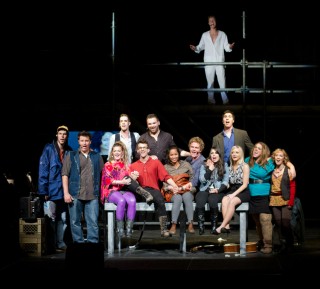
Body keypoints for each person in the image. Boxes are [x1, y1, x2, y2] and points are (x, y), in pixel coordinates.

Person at [101, 141, 154, 238]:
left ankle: (129, 228)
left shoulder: (127, 165)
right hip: (112, 191)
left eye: (119, 151)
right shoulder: (108, 164)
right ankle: (120, 229)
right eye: (115, 151)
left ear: (122, 153)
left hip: (125, 190)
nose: (117, 153)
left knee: (132, 200)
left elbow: (130, 181)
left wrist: (134, 176)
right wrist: (121, 182)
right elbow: (108, 180)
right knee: (121, 201)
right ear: (112, 153)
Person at [130, 139, 180, 237]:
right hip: (139, 192)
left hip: (153, 190)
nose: (142, 150)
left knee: (160, 200)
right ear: (137, 151)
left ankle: (164, 229)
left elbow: (165, 176)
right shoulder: (133, 166)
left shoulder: (156, 163)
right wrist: (133, 179)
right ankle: (144, 193)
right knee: (128, 179)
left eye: (144, 148)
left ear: (148, 150)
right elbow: (131, 183)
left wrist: (175, 185)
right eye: (140, 148)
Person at [62, 131, 104, 243]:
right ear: (78, 141)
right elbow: (65, 174)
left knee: (93, 222)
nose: (84, 143)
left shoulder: (97, 156)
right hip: (75, 194)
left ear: (90, 142)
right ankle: (78, 245)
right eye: (82, 141)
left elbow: (103, 176)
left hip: (92, 195)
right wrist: (66, 193)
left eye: (86, 141)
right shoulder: (71, 155)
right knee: (75, 222)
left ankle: (93, 246)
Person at [38, 125, 72, 253]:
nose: (62, 136)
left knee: (63, 219)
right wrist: (44, 190)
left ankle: (60, 243)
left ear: (67, 136)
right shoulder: (49, 149)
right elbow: (43, 170)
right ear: (56, 135)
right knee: (50, 218)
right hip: (51, 191)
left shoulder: (69, 150)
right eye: (60, 133)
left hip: (63, 191)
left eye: (65, 134)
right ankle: (50, 245)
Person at [190, 15, 235, 104]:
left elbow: (226, 47)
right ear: (208, 23)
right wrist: (195, 48)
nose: (212, 22)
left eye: (213, 20)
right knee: (210, 82)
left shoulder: (222, 34)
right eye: (210, 20)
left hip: (219, 61)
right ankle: (211, 101)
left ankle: (225, 101)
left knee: (222, 81)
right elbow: (200, 46)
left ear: (216, 22)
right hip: (209, 62)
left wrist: (230, 46)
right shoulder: (205, 35)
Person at [244, 142, 275, 254]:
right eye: (255, 148)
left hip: (264, 193)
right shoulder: (247, 160)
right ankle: (262, 241)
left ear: (264, 151)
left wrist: (291, 167)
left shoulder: (270, 161)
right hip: (251, 193)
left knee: (265, 219)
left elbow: (285, 160)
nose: (256, 150)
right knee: (257, 221)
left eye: (259, 149)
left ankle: (268, 245)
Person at [213, 145, 250, 235]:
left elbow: (245, 184)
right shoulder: (230, 166)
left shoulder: (245, 166)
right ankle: (227, 226)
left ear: (241, 154)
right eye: (232, 152)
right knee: (224, 199)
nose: (234, 154)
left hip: (242, 191)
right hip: (233, 188)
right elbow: (229, 183)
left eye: (237, 152)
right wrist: (219, 188)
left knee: (232, 201)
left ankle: (222, 226)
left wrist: (233, 195)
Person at [196, 146, 229, 235]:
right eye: (212, 153)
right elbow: (202, 180)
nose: (214, 155)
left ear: (219, 155)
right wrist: (210, 169)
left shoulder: (224, 165)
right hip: (205, 189)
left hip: (217, 190)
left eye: (216, 153)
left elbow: (225, 182)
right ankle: (201, 226)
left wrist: (218, 190)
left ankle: (214, 226)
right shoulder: (204, 165)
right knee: (200, 199)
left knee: (212, 200)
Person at [162, 145, 195, 234]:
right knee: (177, 198)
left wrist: (190, 186)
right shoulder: (165, 167)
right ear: (168, 156)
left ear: (179, 154)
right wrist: (170, 188)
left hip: (186, 189)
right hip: (173, 192)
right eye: (171, 155)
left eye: (176, 154)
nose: (174, 157)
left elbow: (193, 178)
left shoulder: (186, 164)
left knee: (187, 196)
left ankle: (190, 223)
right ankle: (174, 224)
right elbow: (164, 184)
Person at [270, 148, 296, 253]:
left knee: (285, 223)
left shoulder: (288, 170)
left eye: (280, 155)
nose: (278, 157)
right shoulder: (271, 170)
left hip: (285, 199)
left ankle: (290, 243)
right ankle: (282, 244)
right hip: (274, 199)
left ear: (284, 158)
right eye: (276, 155)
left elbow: (293, 186)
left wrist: (291, 201)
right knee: (278, 223)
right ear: (274, 157)